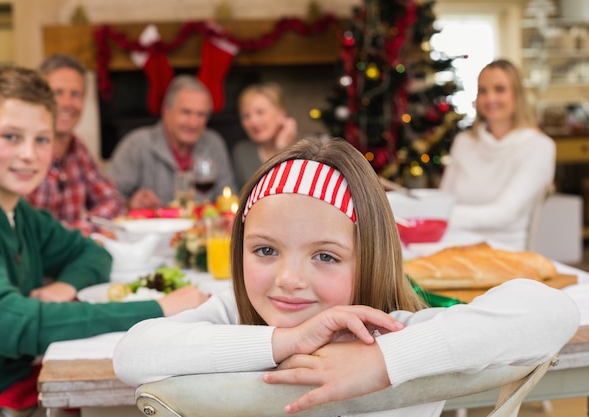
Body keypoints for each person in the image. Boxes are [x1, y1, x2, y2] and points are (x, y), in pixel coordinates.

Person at [113, 137, 579, 417]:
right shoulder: (236, 317)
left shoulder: (391, 330)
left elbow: (552, 310)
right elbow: (132, 353)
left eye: (326, 257)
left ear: (369, 257)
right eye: (266, 250)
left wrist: (383, 362)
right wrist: (283, 342)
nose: (289, 279)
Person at [0, 66, 210, 417]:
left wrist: (65, 285)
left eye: (42, 139)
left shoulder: (17, 210)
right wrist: (156, 310)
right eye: (11, 137)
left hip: (19, 385)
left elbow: (91, 252)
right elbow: (2, 322)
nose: (29, 154)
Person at [439, 59, 556, 251]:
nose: (490, 98)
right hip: (453, 246)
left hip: (504, 252)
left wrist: (439, 215)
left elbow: (505, 214)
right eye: (483, 91)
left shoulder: (539, 147)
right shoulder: (464, 142)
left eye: (499, 89)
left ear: (517, 95)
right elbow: (445, 198)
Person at [26, 53, 127, 236]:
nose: (66, 103)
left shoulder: (77, 148)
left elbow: (113, 202)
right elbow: (29, 234)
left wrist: (82, 226)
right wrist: (83, 231)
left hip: (70, 258)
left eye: (75, 94)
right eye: (57, 93)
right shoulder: (25, 153)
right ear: (38, 99)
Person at [107, 75, 237, 209]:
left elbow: (228, 197)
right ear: (166, 112)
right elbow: (107, 199)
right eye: (186, 112)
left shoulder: (214, 144)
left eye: (201, 114)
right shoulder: (136, 144)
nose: (193, 123)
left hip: (202, 228)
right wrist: (130, 203)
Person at [232, 82, 297, 187]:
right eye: (246, 116)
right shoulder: (242, 152)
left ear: (281, 113)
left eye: (260, 112)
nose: (253, 121)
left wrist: (282, 148)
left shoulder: (306, 149)